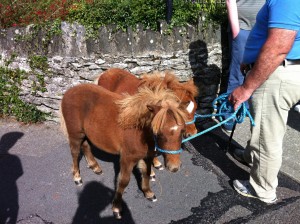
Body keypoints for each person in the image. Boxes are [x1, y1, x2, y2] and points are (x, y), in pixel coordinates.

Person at [229, 0, 300, 203]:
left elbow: (278, 47)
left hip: (278, 73)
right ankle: (252, 156)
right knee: (262, 126)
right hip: (284, 68)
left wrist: (246, 88)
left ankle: (262, 189)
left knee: (267, 134)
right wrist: (250, 60)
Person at [222, 0, 264, 132]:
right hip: (243, 28)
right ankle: (229, 115)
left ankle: (244, 108)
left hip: (264, 27)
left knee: (258, 70)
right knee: (237, 73)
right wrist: (237, 32)